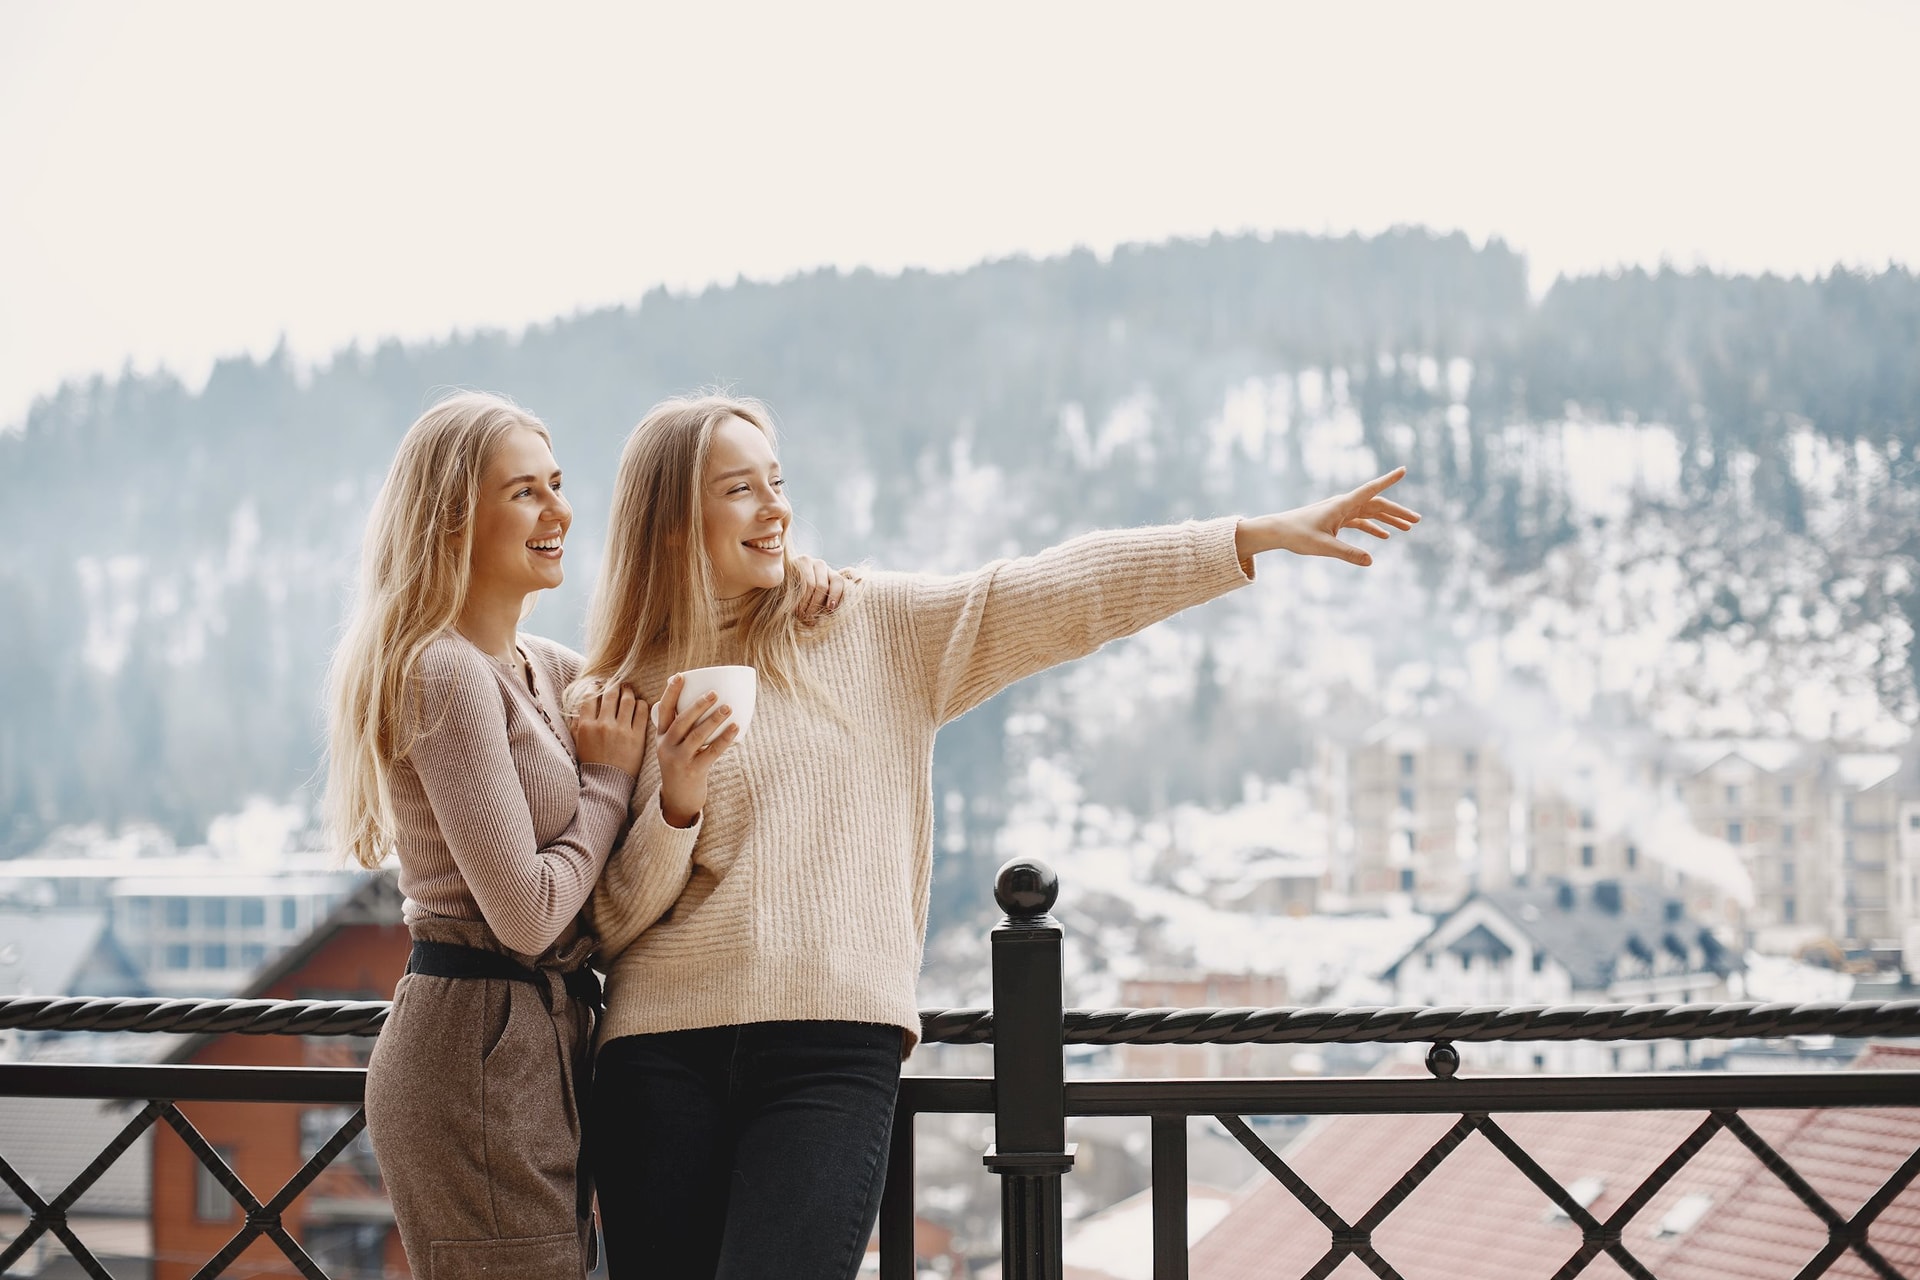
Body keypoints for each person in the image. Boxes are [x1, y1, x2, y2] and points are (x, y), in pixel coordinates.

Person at [575, 394, 1420, 1280]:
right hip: (657, 1056)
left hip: (825, 1051)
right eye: (740, 489)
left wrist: (1248, 537)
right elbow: (610, 924)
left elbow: (1056, 592)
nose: (775, 507)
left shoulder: (872, 628)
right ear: (673, 525)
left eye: (777, 482)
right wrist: (676, 798)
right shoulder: (619, 691)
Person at [323, 391, 843, 1278]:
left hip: (549, 1038)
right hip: (474, 1044)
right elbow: (528, 917)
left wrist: (793, 577)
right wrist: (605, 778)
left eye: (557, 485)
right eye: (526, 492)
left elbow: (679, 661)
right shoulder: (442, 671)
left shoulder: (554, 669)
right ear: (453, 520)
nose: (561, 511)